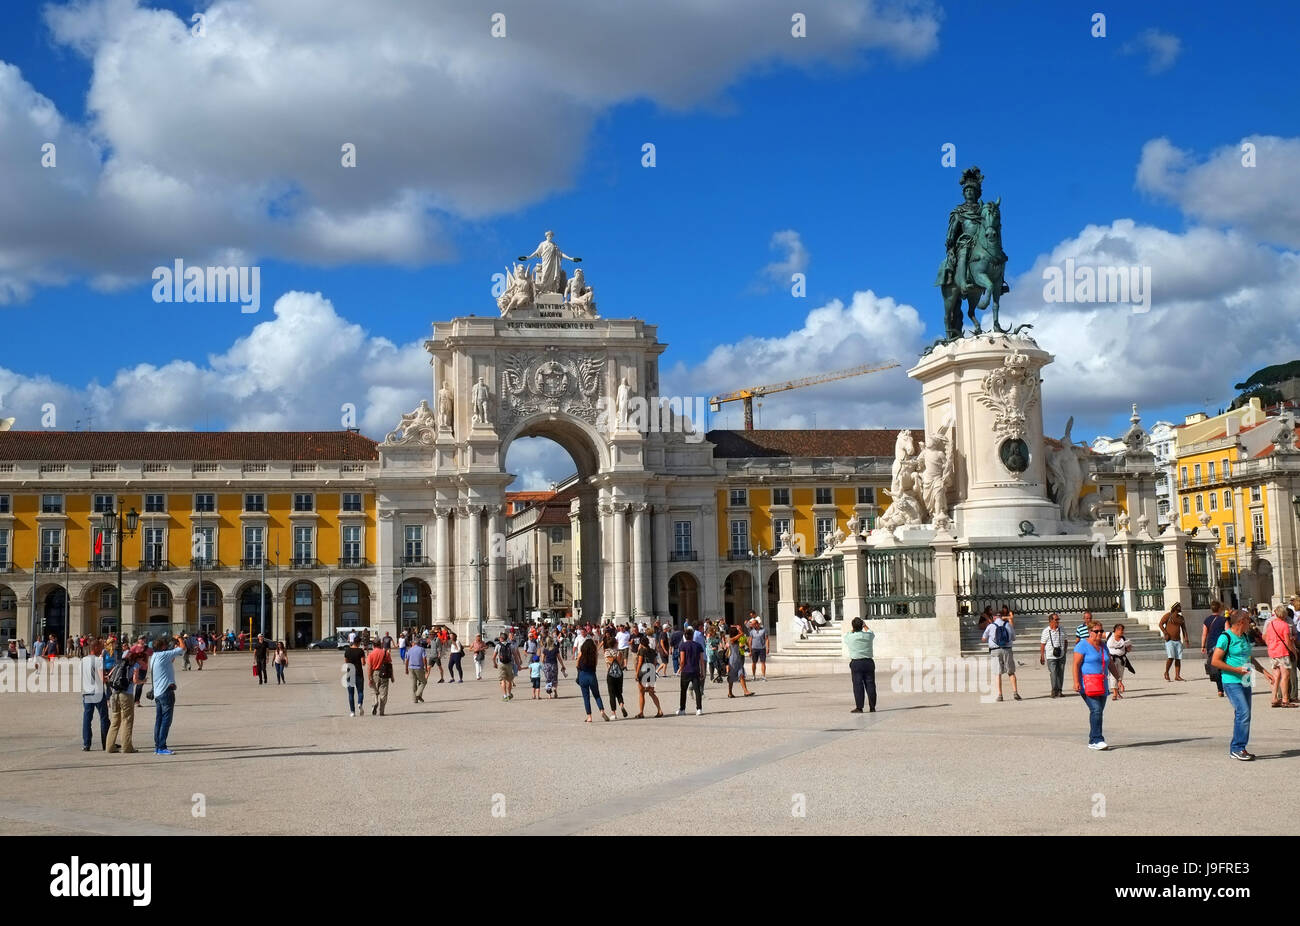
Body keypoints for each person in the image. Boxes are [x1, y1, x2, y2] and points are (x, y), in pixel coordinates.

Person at [1211, 609, 1275, 760]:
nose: (1250, 623)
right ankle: (1238, 748)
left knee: (1243, 714)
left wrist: (1263, 671)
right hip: (1231, 681)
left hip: (1246, 680)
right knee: (1243, 712)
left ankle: (1238, 748)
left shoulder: (1245, 636)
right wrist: (1236, 670)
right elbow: (1215, 661)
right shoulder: (1225, 637)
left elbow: (1249, 657)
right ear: (1240, 622)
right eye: (1248, 620)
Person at [1072, 621, 1110, 750]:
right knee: (1096, 710)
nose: (1100, 633)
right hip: (1087, 684)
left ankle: (1093, 738)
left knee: (1098, 711)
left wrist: (1119, 679)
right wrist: (1076, 682)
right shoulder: (1082, 645)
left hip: (1102, 683)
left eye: (1101, 631)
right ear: (1089, 632)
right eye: (1096, 631)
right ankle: (1097, 739)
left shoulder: (1104, 646)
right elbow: (1076, 665)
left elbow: (1109, 663)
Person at [149, 634, 187, 755]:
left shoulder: (154, 656)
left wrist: (173, 649)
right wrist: (180, 638)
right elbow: (182, 648)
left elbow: (171, 660)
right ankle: (162, 746)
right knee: (166, 720)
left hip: (158, 693)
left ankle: (157, 746)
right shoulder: (163, 654)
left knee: (159, 720)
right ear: (163, 647)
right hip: (166, 692)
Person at [105, 647, 141, 754]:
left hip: (114, 695)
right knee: (127, 720)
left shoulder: (117, 664)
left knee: (115, 721)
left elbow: (108, 677)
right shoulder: (135, 665)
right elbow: (135, 680)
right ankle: (126, 747)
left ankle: (109, 747)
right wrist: (142, 681)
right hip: (126, 695)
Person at [981, 608, 1020, 701]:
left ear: (993, 617)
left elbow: (983, 639)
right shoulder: (1008, 625)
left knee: (997, 673)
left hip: (995, 651)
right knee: (1011, 672)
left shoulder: (991, 626)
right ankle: (1015, 692)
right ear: (1001, 616)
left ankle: (1000, 695)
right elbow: (1014, 638)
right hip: (1007, 650)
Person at [1264, 605, 1298, 708]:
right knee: (1285, 676)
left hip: (1273, 652)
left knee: (1276, 676)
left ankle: (1274, 698)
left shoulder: (1270, 624)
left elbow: (1265, 637)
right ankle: (1285, 699)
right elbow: (1287, 641)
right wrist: (1294, 652)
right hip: (1283, 652)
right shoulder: (1284, 625)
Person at [80, 638, 109, 751]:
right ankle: (106, 742)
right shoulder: (98, 660)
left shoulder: (83, 660)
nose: (102, 649)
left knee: (87, 719)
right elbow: (102, 678)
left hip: (86, 692)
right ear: (95, 647)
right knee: (104, 718)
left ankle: (86, 744)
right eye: (101, 647)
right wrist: (107, 678)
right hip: (98, 692)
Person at [844, 617, 877, 713]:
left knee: (858, 686)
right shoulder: (869, 636)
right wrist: (865, 625)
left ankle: (859, 707)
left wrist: (854, 628)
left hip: (856, 663)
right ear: (862, 626)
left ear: (853, 627)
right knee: (870, 685)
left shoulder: (850, 637)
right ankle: (872, 707)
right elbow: (871, 632)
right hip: (868, 662)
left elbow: (848, 635)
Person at [575, 635, 610, 722]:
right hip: (592, 675)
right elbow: (596, 664)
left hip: (583, 675)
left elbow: (577, 664)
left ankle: (589, 716)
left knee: (586, 697)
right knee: (597, 695)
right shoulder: (594, 654)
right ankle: (602, 711)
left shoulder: (581, 653)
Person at [676, 624, 706, 715]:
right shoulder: (698, 646)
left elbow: (682, 660)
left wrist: (679, 669)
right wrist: (703, 671)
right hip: (695, 670)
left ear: (685, 636)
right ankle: (699, 709)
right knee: (697, 690)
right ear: (692, 636)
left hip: (686, 670)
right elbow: (701, 660)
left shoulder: (682, 646)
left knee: (683, 690)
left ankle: (682, 709)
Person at [1201, 601, 1229, 698]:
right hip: (1222, 646)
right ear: (1220, 609)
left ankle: (1220, 690)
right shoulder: (1224, 620)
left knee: (1215, 668)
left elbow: (1204, 634)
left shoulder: (1207, 620)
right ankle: (1227, 687)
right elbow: (1228, 632)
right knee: (1224, 666)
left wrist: (1203, 646)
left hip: (1211, 645)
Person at [1156, 602, 1189, 682]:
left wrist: (1186, 639)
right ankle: (1166, 672)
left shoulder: (1181, 618)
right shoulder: (1168, 615)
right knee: (1171, 657)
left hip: (1178, 641)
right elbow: (1160, 624)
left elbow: (1184, 629)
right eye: (1179, 607)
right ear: (1175, 608)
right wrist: (1165, 633)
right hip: (1169, 640)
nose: (1180, 608)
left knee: (1178, 658)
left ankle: (1177, 676)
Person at [633, 634, 663, 718]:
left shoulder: (642, 650)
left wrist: (636, 673)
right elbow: (654, 662)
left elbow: (639, 663)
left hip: (644, 673)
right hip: (651, 672)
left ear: (641, 644)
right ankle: (659, 710)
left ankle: (641, 712)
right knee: (651, 693)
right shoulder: (652, 651)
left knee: (641, 693)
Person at [1038, 612, 1067, 698]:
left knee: (1061, 673)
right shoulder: (1046, 631)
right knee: (1053, 673)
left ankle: (1060, 690)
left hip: (1061, 654)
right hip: (1051, 655)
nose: (1058, 621)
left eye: (1058, 619)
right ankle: (1054, 690)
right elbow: (1042, 644)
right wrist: (1042, 656)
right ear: (1051, 621)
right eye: (1056, 619)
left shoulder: (1062, 629)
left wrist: (1064, 651)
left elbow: (1066, 640)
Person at [723, 624, 753, 698]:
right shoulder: (731, 639)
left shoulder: (736, 639)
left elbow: (743, 637)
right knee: (731, 677)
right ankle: (730, 692)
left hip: (738, 659)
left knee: (741, 675)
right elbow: (741, 634)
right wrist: (739, 629)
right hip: (732, 660)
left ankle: (746, 691)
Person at [604, 630, 627, 718]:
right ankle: (621, 705)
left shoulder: (607, 652)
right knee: (619, 692)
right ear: (615, 644)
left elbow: (609, 662)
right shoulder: (619, 652)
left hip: (610, 674)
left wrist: (612, 659)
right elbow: (621, 663)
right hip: (619, 674)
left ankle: (613, 713)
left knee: (611, 693)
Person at [1106, 624, 1133, 700]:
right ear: (1116, 630)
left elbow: (1128, 650)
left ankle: (1117, 692)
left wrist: (1129, 647)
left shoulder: (1124, 639)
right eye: (1120, 630)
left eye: (1122, 630)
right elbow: (1098, 635)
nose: (1122, 631)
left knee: (1120, 676)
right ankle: (1114, 693)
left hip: (1121, 659)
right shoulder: (1109, 635)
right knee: (1112, 676)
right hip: (1112, 659)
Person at [367, 639, 393, 716]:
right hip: (384, 674)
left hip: (375, 673)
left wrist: (370, 678)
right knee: (383, 693)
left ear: (373, 645)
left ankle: (374, 702)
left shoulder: (371, 654)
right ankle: (381, 711)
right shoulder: (386, 653)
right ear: (381, 644)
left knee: (374, 690)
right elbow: (390, 666)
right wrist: (392, 676)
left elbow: (369, 667)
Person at [343, 637, 366, 716]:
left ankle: (352, 712)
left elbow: (346, 662)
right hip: (359, 673)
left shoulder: (347, 650)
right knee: (360, 691)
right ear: (359, 642)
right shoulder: (360, 651)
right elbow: (363, 663)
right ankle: (359, 703)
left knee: (350, 694)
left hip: (350, 673)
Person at [493, 633, 518, 701]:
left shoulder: (498, 645)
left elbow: (493, 657)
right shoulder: (511, 645)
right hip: (509, 664)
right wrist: (518, 664)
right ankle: (509, 694)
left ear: (501, 638)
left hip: (501, 664)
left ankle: (504, 695)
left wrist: (495, 663)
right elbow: (515, 656)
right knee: (509, 680)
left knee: (502, 680)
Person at [405, 636, 428, 704]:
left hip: (411, 668)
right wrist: (426, 667)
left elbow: (406, 660)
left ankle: (415, 699)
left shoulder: (409, 650)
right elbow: (424, 659)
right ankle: (418, 694)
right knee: (423, 682)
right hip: (419, 668)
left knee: (413, 684)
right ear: (419, 643)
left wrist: (406, 669)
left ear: (413, 643)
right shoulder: (422, 649)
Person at [541, 633, 564, 699]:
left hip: (547, 665)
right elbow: (559, 658)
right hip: (554, 665)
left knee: (548, 679)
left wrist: (544, 664)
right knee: (554, 679)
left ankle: (549, 695)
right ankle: (555, 689)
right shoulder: (556, 648)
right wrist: (563, 665)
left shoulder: (545, 649)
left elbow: (542, 660)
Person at [747, 612, 768, 681]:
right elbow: (750, 641)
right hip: (754, 649)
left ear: (757, 624)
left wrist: (767, 648)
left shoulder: (763, 630)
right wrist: (750, 650)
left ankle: (764, 676)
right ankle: (753, 676)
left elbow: (767, 639)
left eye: (753, 624)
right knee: (754, 663)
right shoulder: (752, 632)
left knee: (763, 662)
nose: (752, 626)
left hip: (762, 648)